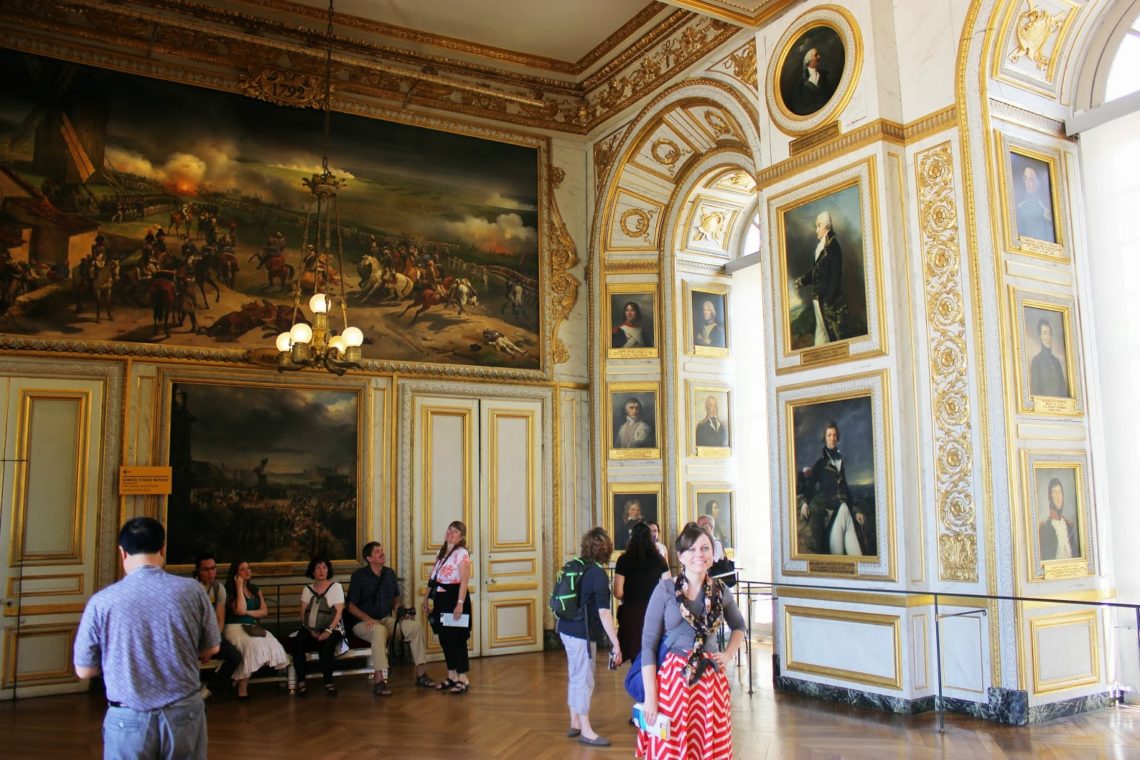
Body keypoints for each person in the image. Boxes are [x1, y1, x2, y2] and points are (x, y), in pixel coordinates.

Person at [74, 517, 219, 760]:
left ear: (122, 552)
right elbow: (212, 647)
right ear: (162, 549)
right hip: (184, 713)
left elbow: (84, 671)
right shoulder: (192, 591)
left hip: (128, 719)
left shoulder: (102, 602)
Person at [638, 523, 746, 759]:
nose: (699, 554)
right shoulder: (665, 590)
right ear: (680, 556)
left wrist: (728, 654)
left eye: (705, 548)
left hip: (710, 681)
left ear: (712, 553)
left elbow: (739, 626)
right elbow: (648, 644)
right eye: (692, 549)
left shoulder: (720, 591)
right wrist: (650, 696)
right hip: (674, 680)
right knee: (672, 747)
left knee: (708, 744)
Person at [558, 527, 622, 747]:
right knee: (584, 678)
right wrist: (616, 644)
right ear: (606, 550)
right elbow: (604, 613)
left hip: (565, 628)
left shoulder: (577, 565)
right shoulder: (597, 574)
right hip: (581, 634)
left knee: (575, 674)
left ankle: (574, 721)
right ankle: (586, 730)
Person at [346, 541, 434, 696]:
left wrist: (400, 611)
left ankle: (421, 675)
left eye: (382, 550)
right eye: (377, 551)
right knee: (378, 631)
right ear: (368, 558)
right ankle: (379, 681)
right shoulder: (358, 576)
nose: (382, 553)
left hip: (386, 619)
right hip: (362, 623)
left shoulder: (389, 574)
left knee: (415, 627)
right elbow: (351, 606)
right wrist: (367, 618)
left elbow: (395, 599)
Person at [797, 421, 866, 556]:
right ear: (825, 438)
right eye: (829, 435)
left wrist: (856, 511)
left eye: (834, 435)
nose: (832, 438)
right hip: (835, 514)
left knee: (858, 558)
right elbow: (810, 485)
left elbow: (845, 488)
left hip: (847, 513)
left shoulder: (840, 461)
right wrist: (805, 502)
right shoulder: (820, 464)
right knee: (837, 558)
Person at [223, 558, 289, 699]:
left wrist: (247, 613)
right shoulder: (230, 591)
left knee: (272, 643)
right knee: (252, 646)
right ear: (235, 573)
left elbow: (264, 611)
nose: (247, 571)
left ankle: (235, 680)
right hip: (234, 628)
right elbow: (239, 610)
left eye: (248, 568)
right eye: (243, 569)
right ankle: (242, 689)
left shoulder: (255, 589)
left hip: (252, 627)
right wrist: (239, 587)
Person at [424, 520, 473, 694]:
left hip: (455, 598)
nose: (450, 533)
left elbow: (464, 580)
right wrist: (426, 598)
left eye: (455, 531)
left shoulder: (462, 553)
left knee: (456, 639)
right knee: (445, 638)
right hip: (441, 597)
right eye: (450, 529)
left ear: (461, 538)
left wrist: (459, 604)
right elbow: (434, 577)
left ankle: (463, 678)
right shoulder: (441, 552)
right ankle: (451, 675)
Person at [614, 523, 669, 667]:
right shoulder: (659, 560)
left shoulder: (623, 560)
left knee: (635, 654)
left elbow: (618, 592)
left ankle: (640, 685)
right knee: (653, 653)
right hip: (654, 612)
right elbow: (668, 587)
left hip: (632, 613)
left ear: (631, 539)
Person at [793, 210, 850, 345]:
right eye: (816, 226)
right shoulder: (822, 246)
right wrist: (802, 281)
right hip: (818, 297)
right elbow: (816, 271)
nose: (816, 230)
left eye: (819, 226)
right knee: (821, 331)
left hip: (826, 301)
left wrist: (828, 300)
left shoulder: (833, 247)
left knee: (832, 334)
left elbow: (835, 277)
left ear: (827, 227)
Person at [291, 556, 345, 697]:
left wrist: (328, 631)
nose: (321, 571)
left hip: (332, 627)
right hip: (310, 627)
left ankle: (328, 682)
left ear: (328, 570)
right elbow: (303, 613)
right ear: (313, 571)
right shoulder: (307, 589)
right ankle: (301, 682)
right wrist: (311, 630)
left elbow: (339, 612)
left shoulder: (336, 587)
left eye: (324, 567)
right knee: (298, 644)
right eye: (318, 568)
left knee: (326, 646)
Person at [193, 552, 242, 700]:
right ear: (198, 571)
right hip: (193, 637)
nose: (211, 573)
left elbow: (220, 618)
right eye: (206, 569)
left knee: (235, 656)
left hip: (211, 636)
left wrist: (213, 642)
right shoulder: (191, 588)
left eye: (213, 568)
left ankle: (209, 688)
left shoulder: (218, 588)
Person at [1038, 478, 1079, 561]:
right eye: (1054, 492)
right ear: (1050, 497)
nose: (1058, 496)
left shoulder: (1069, 526)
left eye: (1060, 492)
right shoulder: (1045, 528)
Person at [1029, 318, 1069, 398]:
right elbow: (1035, 393)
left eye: (1050, 333)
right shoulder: (1036, 361)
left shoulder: (1057, 362)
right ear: (1040, 337)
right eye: (1045, 333)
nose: (1048, 337)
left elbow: (1064, 391)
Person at [1015, 165, 1055, 242]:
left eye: (1031, 179)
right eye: (1026, 179)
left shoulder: (1046, 203)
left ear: (1037, 181)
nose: (1028, 183)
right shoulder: (1020, 205)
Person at [791, 46, 836, 115]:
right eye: (816, 55)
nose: (819, 57)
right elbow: (798, 105)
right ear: (809, 59)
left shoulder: (825, 76)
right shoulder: (801, 80)